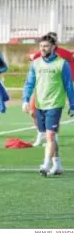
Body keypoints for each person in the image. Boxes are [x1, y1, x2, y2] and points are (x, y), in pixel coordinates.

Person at [22, 34, 74, 176]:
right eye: (41, 46)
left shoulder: (62, 64)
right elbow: (29, 83)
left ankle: (45, 164)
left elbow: (69, 85)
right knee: (50, 137)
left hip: (55, 104)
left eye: (46, 46)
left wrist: (72, 104)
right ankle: (57, 165)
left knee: (50, 136)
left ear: (53, 47)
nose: (43, 49)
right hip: (40, 104)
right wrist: (26, 100)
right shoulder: (36, 63)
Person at [29, 32, 74, 146]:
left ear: (54, 44)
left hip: (56, 90)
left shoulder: (63, 55)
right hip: (40, 90)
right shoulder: (41, 54)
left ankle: (52, 136)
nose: (43, 48)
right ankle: (42, 133)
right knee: (32, 112)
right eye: (41, 46)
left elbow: (71, 58)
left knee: (53, 116)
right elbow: (32, 58)